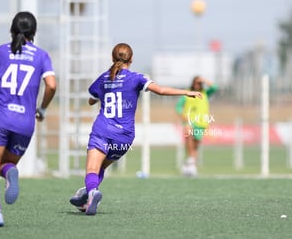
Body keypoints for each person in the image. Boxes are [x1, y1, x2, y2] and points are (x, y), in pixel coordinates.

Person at [69, 43, 202, 215]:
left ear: (112, 58)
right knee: (101, 167)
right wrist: (186, 92)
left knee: (93, 168)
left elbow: (91, 99)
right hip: (124, 136)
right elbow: (160, 90)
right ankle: (88, 195)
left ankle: (91, 193)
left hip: (102, 130)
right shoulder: (137, 78)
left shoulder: (103, 78)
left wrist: (96, 99)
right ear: (131, 59)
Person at [0, 11, 56, 227]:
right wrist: (42, 108)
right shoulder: (41, 55)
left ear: (12, 30)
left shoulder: (1, 51)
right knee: (6, 163)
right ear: (34, 32)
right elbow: (51, 85)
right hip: (24, 121)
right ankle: (10, 172)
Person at [175, 76, 218, 177]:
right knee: (189, 134)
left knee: (195, 145)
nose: (198, 85)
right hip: (189, 121)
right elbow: (178, 107)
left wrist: (204, 80)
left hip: (201, 123)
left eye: (199, 83)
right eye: (196, 83)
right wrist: (182, 115)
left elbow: (215, 87)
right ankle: (190, 160)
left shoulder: (205, 93)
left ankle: (190, 166)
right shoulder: (187, 93)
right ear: (193, 83)